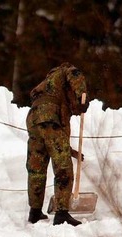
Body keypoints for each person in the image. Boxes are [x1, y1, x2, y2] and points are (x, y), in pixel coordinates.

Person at [26, 62, 88, 226]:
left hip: (33, 119)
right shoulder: (66, 71)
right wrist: (82, 97)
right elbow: (76, 75)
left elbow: (58, 142)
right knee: (63, 168)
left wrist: (73, 152)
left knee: (36, 167)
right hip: (49, 118)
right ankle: (61, 214)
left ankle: (35, 212)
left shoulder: (49, 88)